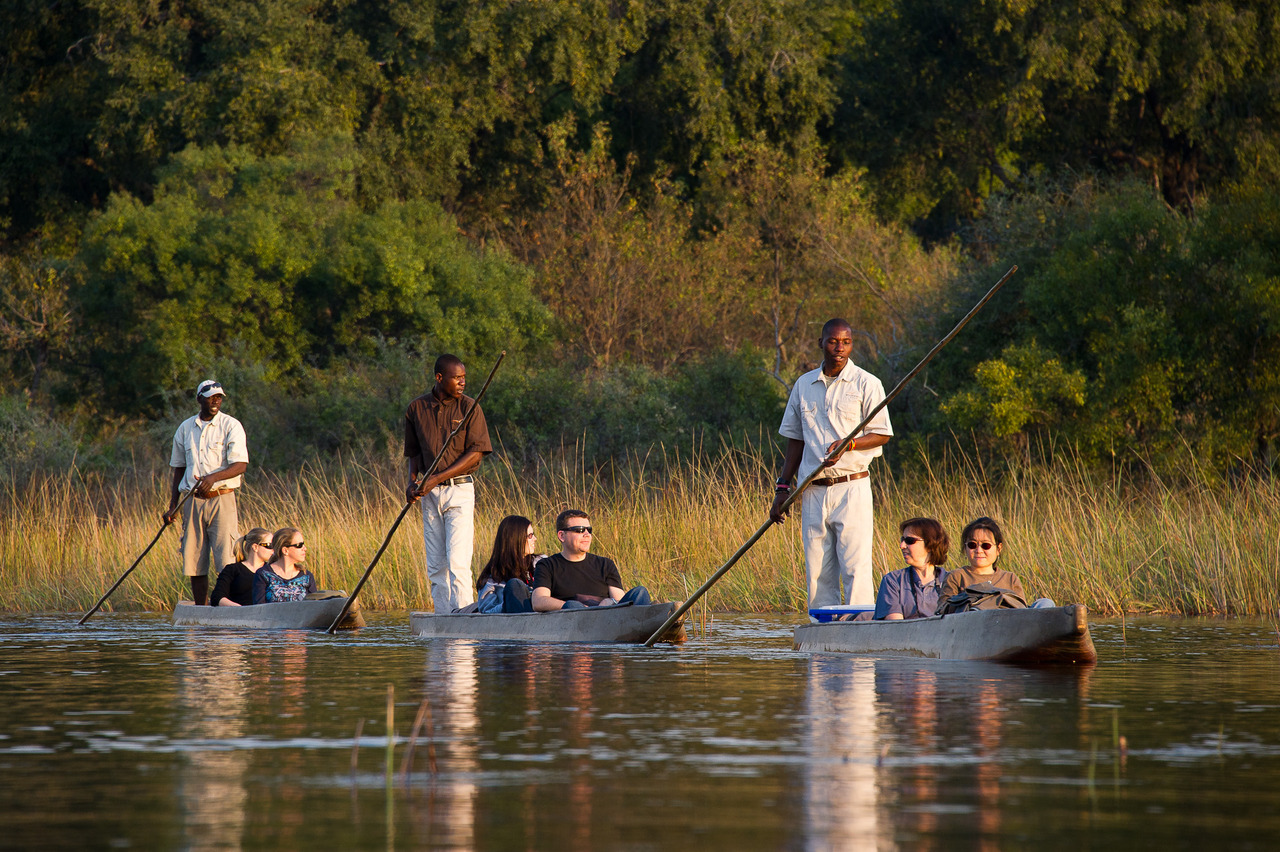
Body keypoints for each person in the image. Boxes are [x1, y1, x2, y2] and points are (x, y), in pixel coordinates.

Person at [770, 319, 893, 610]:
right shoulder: (804, 385)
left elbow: (882, 434)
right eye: (833, 341)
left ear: (852, 344)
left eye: (846, 342)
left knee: (855, 566)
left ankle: (857, 632)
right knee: (818, 572)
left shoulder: (867, 383)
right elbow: (795, 440)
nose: (839, 348)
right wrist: (782, 488)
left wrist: (848, 444)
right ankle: (821, 633)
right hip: (812, 489)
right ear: (820, 343)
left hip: (852, 485)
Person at [404, 354, 493, 614]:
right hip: (429, 495)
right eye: (457, 378)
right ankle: (443, 619)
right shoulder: (416, 409)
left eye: (464, 377)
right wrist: (412, 484)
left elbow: (475, 454)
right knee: (435, 566)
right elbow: (414, 453)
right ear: (439, 378)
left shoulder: (470, 408)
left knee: (457, 562)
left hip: (460, 491)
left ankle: (463, 618)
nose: (462, 382)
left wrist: (436, 479)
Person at [164, 380, 249, 606]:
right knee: (194, 559)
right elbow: (178, 467)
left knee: (227, 559)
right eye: (210, 397)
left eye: (219, 397)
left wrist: (213, 478)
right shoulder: (185, 428)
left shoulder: (231, 425)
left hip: (222, 498)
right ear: (199, 399)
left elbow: (240, 464)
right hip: (192, 501)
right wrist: (173, 505)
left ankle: (227, 608)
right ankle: (200, 609)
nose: (215, 401)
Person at [532, 509, 651, 611]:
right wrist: (574, 606)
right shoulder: (547, 565)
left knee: (640, 592)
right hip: (573, 621)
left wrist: (610, 602)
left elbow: (619, 599)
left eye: (589, 530)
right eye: (579, 530)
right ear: (562, 536)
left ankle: (644, 632)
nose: (587, 534)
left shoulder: (605, 564)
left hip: (608, 618)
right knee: (573, 605)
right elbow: (539, 601)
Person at [935, 516, 1026, 610]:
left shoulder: (1010, 579)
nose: (979, 550)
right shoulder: (956, 577)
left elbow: (1022, 613)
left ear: (998, 548)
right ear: (965, 548)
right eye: (972, 545)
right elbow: (943, 612)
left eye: (986, 545)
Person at [873, 518, 950, 620]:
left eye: (909, 541)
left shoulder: (950, 580)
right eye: (902, 540)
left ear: (930, 544)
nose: (902, 546)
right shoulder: (893, 581)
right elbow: (895, 627)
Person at [475, 515, 542, 613]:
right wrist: (509, 601)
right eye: (530, 536)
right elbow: (486, 613)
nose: (535, 539)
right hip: (515, 624)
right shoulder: (492, 578)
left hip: (545, 620)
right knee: (514, 585)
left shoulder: (541, 563)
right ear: (515, 539)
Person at [253, 527, 318, 604]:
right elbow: (259, 608)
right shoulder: (263, 575)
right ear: (285, 550)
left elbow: (314, 607)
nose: (305, 548)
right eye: (299, 545)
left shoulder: (306, 576)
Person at [210, 528, 272, 607]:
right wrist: (240, 609)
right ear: (255, 547)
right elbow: (217, 597)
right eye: (269, 545)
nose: (273, 550)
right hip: (239, 616)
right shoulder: (232, 570)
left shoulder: (272, 570)